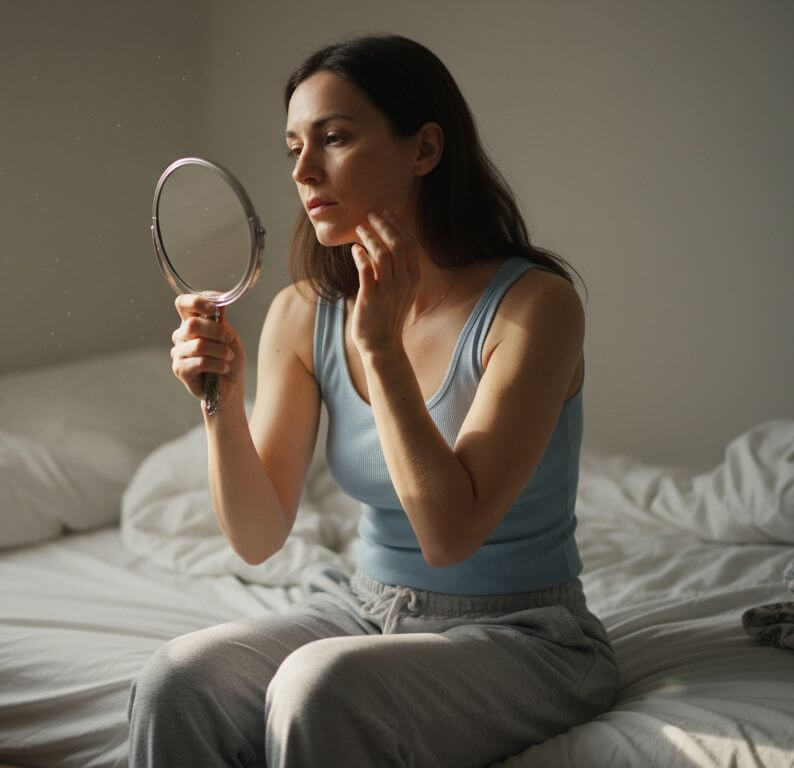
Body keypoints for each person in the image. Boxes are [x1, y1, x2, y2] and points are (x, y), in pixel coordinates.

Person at [128, 33, 617, 768]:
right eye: (293, 145)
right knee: (176, 681)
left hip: (527, 635)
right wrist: (220, 403)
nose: (302, 169)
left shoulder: (534, 308)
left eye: (334, 138)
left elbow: (449, 536)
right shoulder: (303, 313)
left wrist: (383, 350)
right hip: (367, 609)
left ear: (423, 149)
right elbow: (258, 537)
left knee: (317, 686)